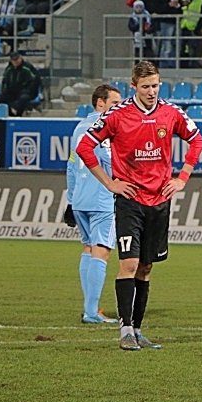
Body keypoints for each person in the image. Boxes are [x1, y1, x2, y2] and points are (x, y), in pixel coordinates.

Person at [75, 61, 202, 351]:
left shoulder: (171, 112)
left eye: (155, 85)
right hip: (129, 201)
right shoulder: (117, 115)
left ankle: (137, 329)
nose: (151, 91)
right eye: (145, 86)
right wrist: (110, 183)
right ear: (133, 86)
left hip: (159, 200)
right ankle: (124, 331)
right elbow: (84, 146)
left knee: (145, 268)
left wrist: (182, 177)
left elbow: (197, 141)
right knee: (129, 263)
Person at [65, 85, 124, 324]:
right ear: (100, 102)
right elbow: (108, 159)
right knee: (102, 251)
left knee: (88, 249)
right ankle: (91, 311)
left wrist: (70, 201)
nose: (118, 107)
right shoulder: (105, 129)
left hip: (80, 198)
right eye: (114, 103)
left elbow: (70, 165)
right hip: (102, 199)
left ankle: (91, 307)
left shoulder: (79, 127)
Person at [150, 0, 182, 69]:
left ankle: (173, 65)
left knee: (176, 44)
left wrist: (179, 6)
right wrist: (169, 5)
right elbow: (157, 8)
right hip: (166, 21)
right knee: (166, 44)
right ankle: (164, 66)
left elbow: (180, 2)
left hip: (176, 20)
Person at [0, 51, 42, 116]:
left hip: (27, 92)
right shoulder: (9, 69)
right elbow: (5, 81)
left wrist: (29, 90)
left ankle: (19, 115)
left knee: (23, 98)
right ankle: (10, 115)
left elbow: (36, 80)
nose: (15, 61)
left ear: (20, 58)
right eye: (13, 60)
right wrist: (4, 90)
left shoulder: (27, 67)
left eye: (17, 59)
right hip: (13, 92)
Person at [179, 0, 202, 68]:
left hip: (193, 29)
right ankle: (182, 65)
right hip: (182, 27)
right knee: (181, 48)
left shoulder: (200, 1)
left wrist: (198, 28)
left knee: (193, 48)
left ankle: (192, 65)